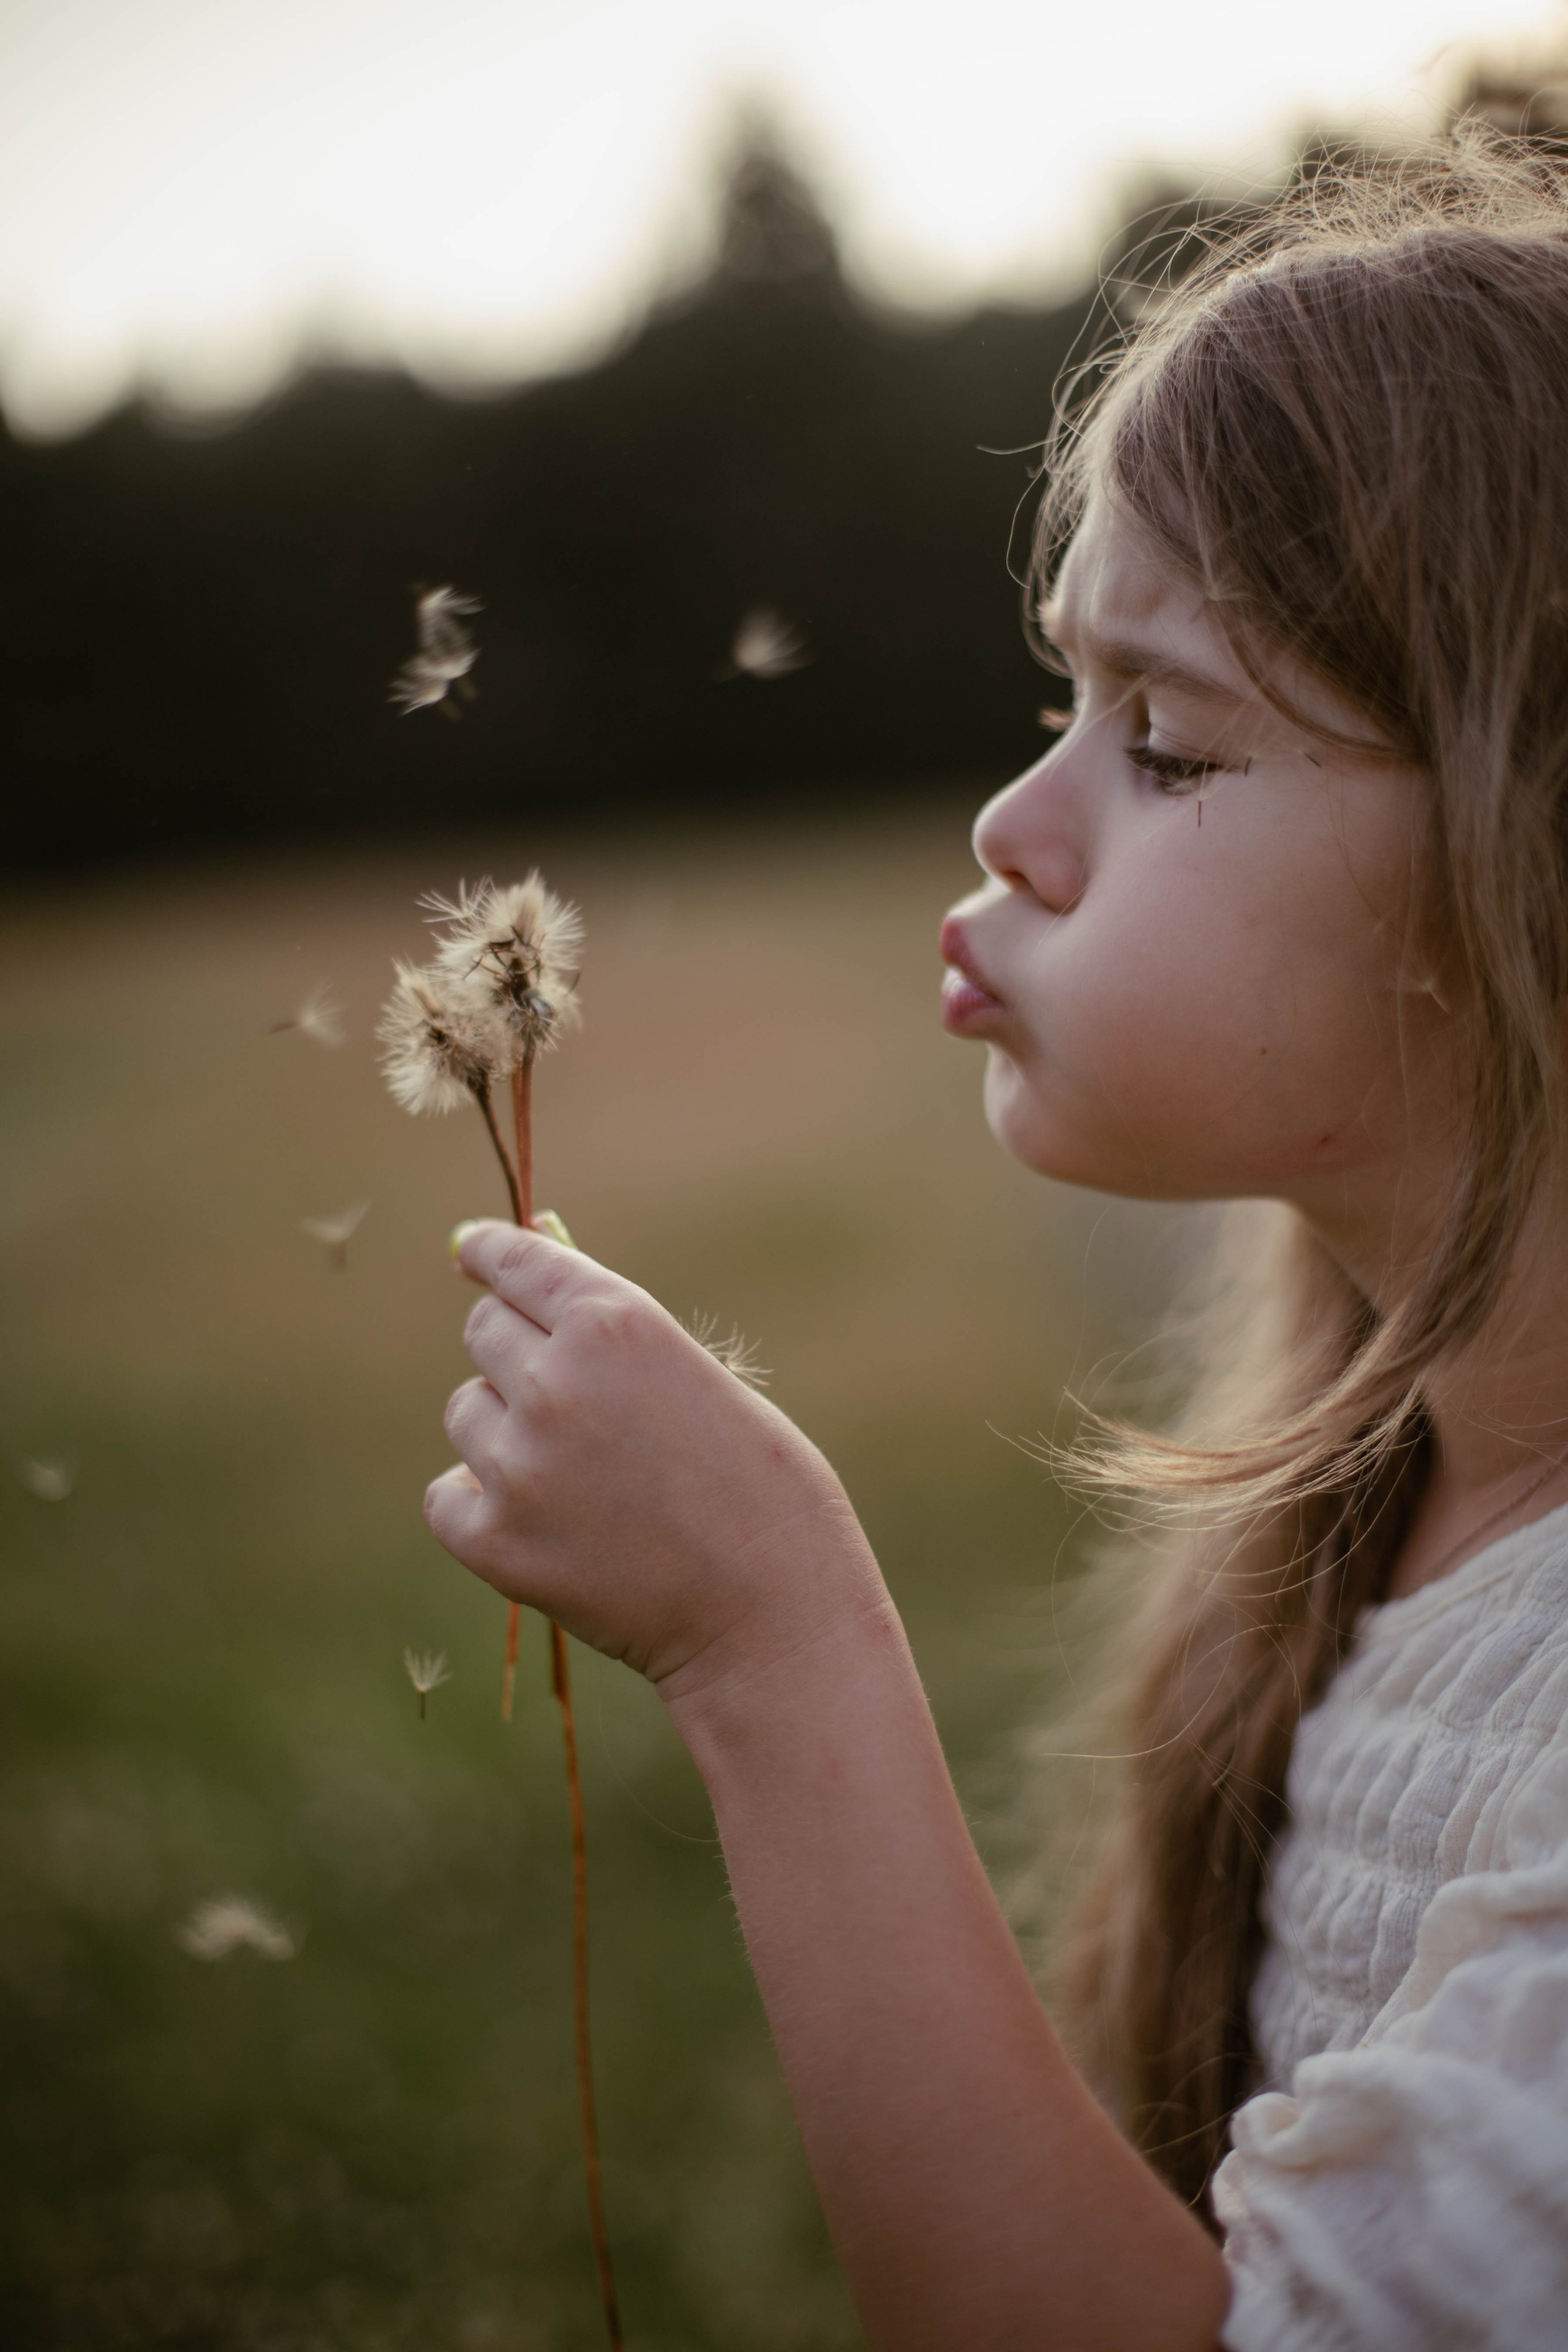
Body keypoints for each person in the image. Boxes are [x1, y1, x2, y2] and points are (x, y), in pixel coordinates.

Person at [425, 131, 1568, 2349]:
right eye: (1064, 703)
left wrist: (774, 1644)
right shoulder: (1395, 1487)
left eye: (1163, 738)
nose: (1013, 823)